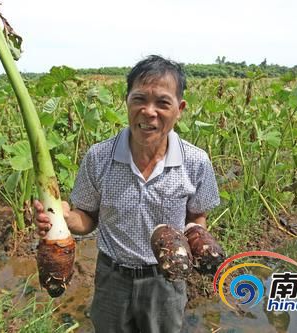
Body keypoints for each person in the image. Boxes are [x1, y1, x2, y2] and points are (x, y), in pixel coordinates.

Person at [35, 55, 220, 333]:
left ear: (179, 109)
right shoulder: (99, 157)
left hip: (165, 280)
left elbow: (197, 217)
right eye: (139, 99)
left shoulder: (196, 162)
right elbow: (86, 219)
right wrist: (62, 219)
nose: (149, 112)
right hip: (112, 277)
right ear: (127, 101)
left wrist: (195, 242)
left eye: (162, 103)